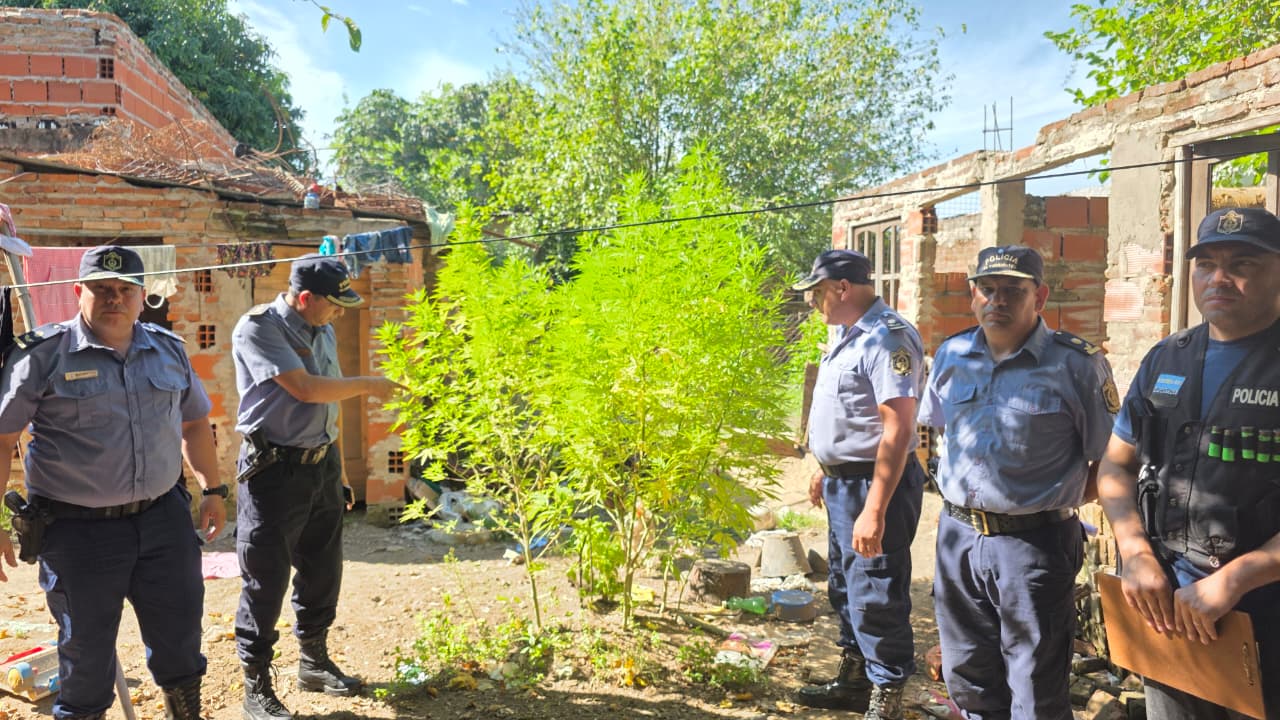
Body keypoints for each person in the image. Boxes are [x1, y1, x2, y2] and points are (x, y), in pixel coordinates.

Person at [0, 246, 224, 720]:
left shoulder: (168, 350)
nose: (114, 299)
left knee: (181, 643)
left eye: (125, 290)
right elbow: (2, 440)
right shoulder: (42, 355)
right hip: (78, 533)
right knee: (86, 660)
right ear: (78, 291)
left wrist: (214, 487)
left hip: (163, 521)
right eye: (102, 288)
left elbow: (195, 425)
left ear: (142, 297)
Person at [917, 245, 1117, 720]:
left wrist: (1054, 497)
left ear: (1040, 296)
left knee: (1034, 687)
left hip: (1035, 545)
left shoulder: (1076, 365)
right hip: (958, 539)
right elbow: (929, 429)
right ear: (973, 295)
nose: (997, 300)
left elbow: (1111, 457)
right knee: (967, 675)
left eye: (1013, 290)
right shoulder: (953, 354)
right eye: (987, 289)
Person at [1098, 207, 1280, 719]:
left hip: (1263, 607)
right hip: (1168, 600)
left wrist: (1238, 577)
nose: (1220, 278)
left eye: (1242, 264)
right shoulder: (1166, 358)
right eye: (1207, 265)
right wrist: (1134, 553)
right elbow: (1115, 468)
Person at [231, 253, 398, 720]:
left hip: (320, 465)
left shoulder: (321, 327)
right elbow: (304, 388)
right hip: (274, 471)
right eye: (333, 304)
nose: (339, 314)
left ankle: (314, 662)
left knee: (323, 570)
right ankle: (256, 685)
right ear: (305, 298)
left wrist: (341, 470)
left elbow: (330, 402)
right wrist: (370, 384)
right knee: (266, 579)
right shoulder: (260, 328)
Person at [791, 250, 925, 720]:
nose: (813, 303)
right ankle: (855, 679)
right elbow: (849, 416)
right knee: (845, 587)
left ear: (842, 288)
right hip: (843, 484)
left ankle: (886, 692)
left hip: (876, 486)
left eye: (817, 292)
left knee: (877, 592)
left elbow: (897, 430)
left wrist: (874, 509)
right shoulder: (848, 337)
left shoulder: (888, 340)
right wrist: (823, 470)